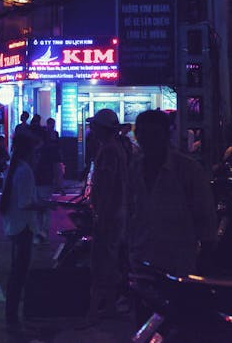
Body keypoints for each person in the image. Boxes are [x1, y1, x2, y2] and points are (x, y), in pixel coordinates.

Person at [126, 110, 217, 279]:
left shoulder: (187, 169)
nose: (148, 139)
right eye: (143, 133)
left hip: (177, 261)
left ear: (166, 134)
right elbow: (131, 210)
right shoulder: (134, 168)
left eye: (154, 134)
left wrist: (206, 254)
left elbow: (205, 215)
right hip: (140, 256)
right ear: (137, 135)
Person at [0, 131, 49, 332]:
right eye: (36, 152)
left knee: (17, 273)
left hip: (15, 225)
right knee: (19, 274)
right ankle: (13, 317)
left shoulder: (15, 168)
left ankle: (13, 314)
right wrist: (44, 205)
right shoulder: (25, 171)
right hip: (23, 228)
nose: (37, 157)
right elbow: (25, 203)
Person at [85, 108, 128, 320]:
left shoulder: (110, 150)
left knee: (103, 260)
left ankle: (100, 308)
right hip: (112, 212)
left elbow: (108, 185)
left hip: (109, 213)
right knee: (107, 258)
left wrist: (101, 213)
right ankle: (108, 306)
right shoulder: (112, 147)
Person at [33, 117, 63, 244]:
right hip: (42, 180)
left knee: (41, 207)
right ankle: (40, 232)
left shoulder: (38, 150)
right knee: (41, 207)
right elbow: (56, 165)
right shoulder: (42, 149)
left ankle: (41, 233)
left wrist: (58, 181)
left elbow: (56, 165)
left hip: (43, 180)